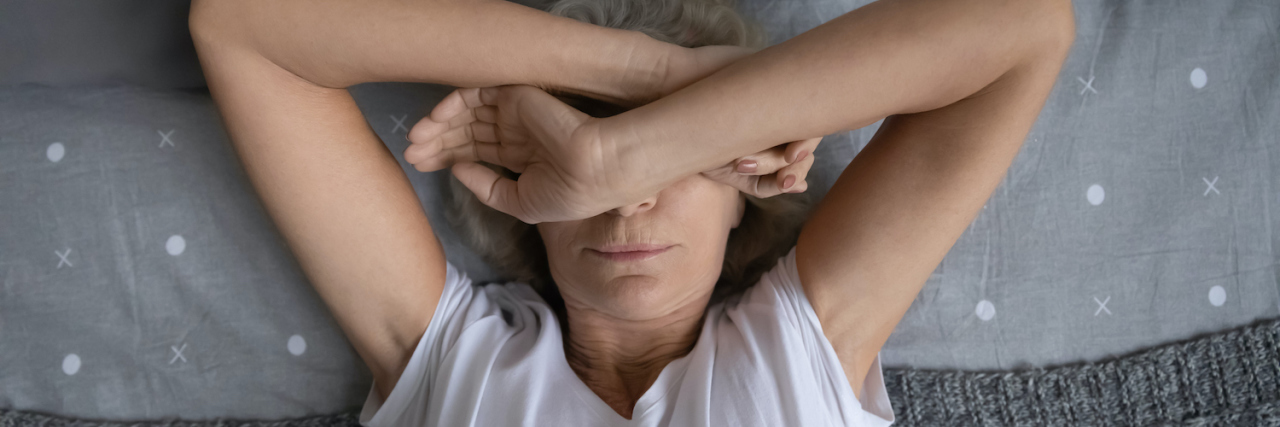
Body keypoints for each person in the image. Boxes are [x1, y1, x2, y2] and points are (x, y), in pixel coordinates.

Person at [188, 0, 1074, 424]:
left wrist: (635, 144)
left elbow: (1025, 25)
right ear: (528, 208)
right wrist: (647, 78)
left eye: (682, 159)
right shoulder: (447, 363)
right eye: (576, 163)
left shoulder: (803, 347)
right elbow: (243, 24)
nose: (628, 198)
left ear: (744, 204)